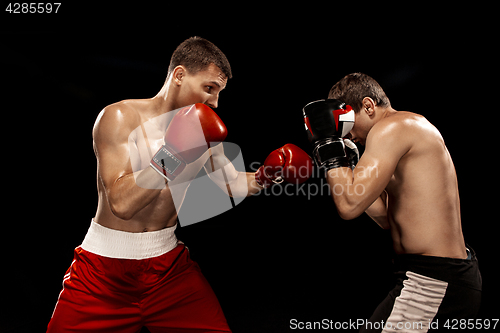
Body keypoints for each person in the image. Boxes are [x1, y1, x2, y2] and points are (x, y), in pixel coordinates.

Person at [47, 36, 313, 333]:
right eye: (209, 88)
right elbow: (121, 204)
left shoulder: (201, 129)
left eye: (219, 92)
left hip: (168, 271)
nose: (214, 102)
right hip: (102, 273)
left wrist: (266, 176)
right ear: (179, 75)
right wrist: (174, 154)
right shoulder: (120, 117)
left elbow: (231, 183)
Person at [302, 73, 481, 332]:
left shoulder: (392, 128)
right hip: (438, 275)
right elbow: (385, 216)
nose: (348, 136)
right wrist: (348, 168)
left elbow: (348, 206)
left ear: (368, 106)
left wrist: (329, 147)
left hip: (434, 280)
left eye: (347, 124)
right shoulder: (408, 127)